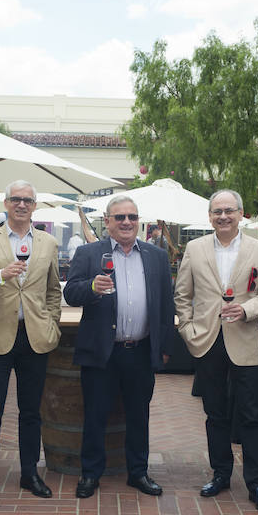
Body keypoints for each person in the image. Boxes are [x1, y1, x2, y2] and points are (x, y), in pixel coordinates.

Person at [174, 189, 258, 513]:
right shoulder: (194, 248)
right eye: (217, 211)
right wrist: (188, 331)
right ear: (209, 216)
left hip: (244, 341)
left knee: (251, 416)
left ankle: (257, 484)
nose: (223, 216)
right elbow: (181, 295)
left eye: (229, 211)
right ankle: (220, 474)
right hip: (207, 342)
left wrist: (247, 310)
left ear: (240, 214)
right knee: (215, 414)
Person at [64, 194, 174, 499]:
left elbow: (167, 305)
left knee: (139, 416)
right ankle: (90, 475)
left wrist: (163, 347)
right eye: (120, 217)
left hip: (139, 351)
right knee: (95, 415)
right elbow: (71, 293)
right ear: (108, 221)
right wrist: (91, 288)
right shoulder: (88, 253)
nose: (127, 222)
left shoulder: (156, 256)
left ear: (139, 222)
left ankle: (138, 473)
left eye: (132, 217)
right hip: (102, 350)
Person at [0, 180, 62, 506]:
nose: (21, 205)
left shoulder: (48, 242)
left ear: (35, 206)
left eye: (28, 200)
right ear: (6, 204)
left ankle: (30, 473)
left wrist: (52, 323)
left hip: (34, 337)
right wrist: (0, 275)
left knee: (31, 411)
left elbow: (52, 290)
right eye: (16, 199)